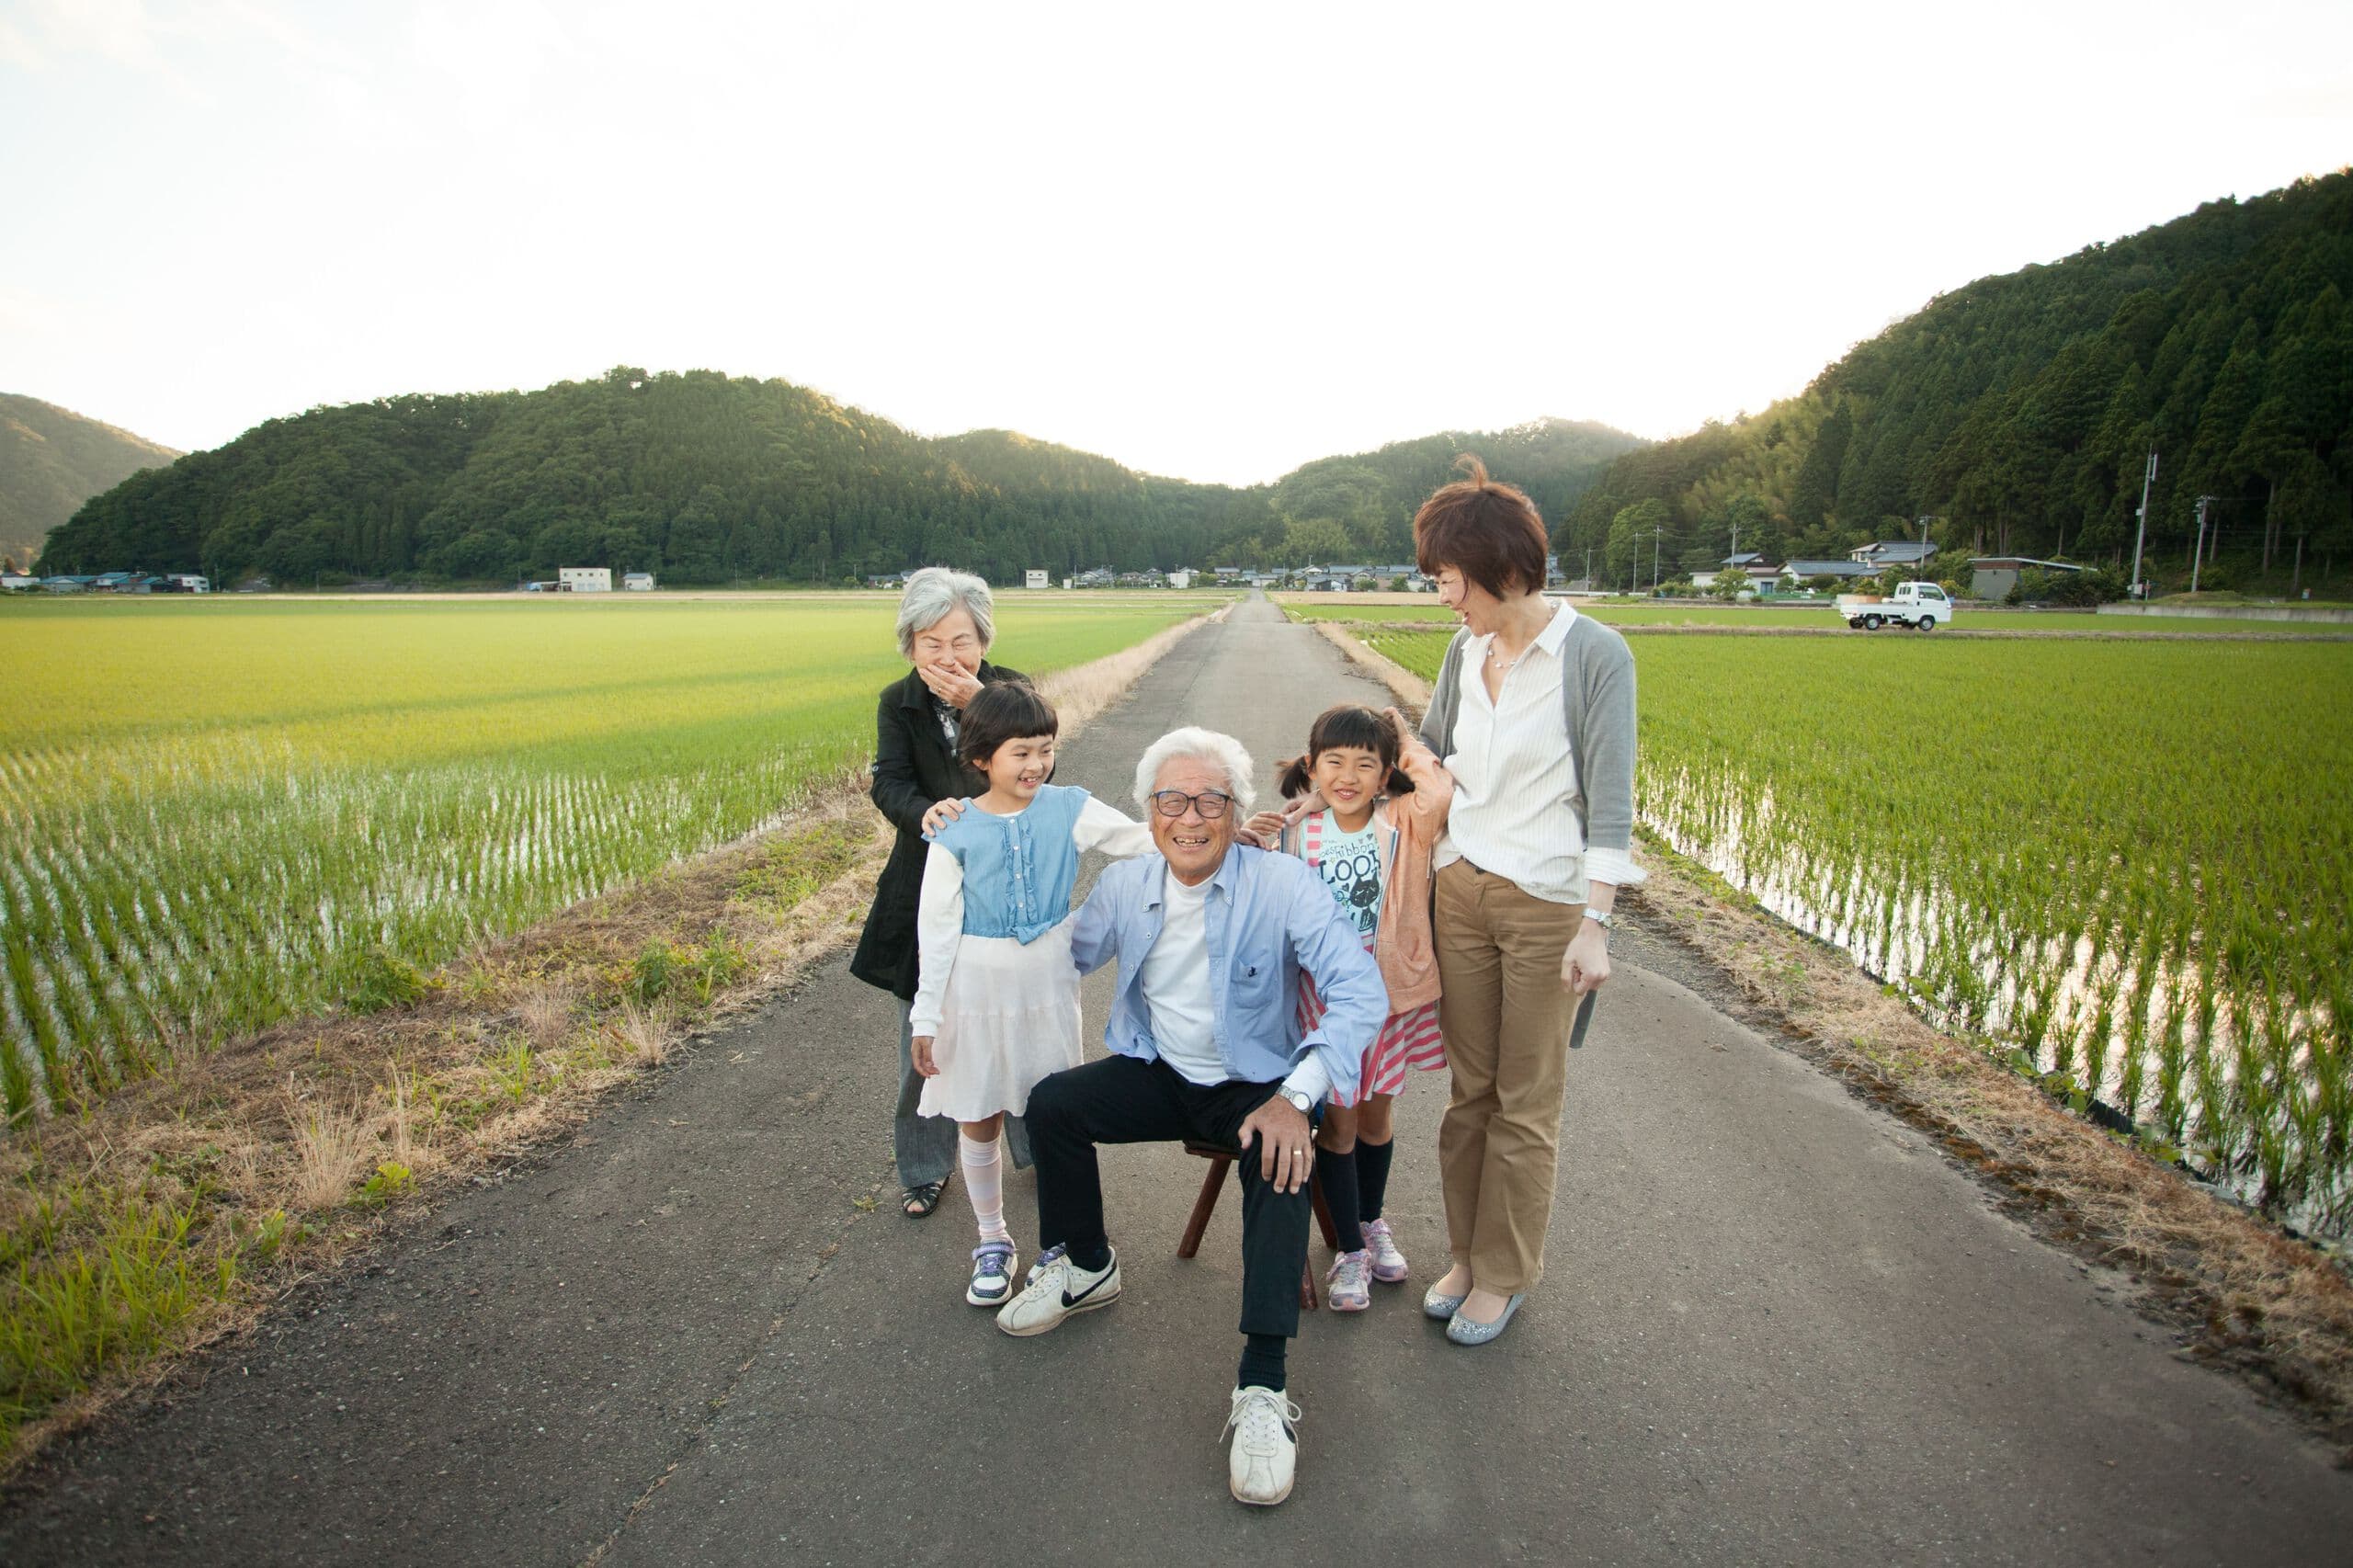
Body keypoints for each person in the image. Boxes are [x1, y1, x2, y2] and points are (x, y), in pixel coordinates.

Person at [992, 728, 1387, 1507]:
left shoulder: (1281, 884)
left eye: (1211, 799)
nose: (1191, 817)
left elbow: (1360, 990)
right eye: (1172, 800)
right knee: (1054, 1106)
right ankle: (1087, 1262)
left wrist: (1296, 1097)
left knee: (1282, 1157)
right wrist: (957, 972)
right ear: (1150, 812)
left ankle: (1264, 1388)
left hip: (1252, 1083)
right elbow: (1058, 955)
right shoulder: (1125, 885)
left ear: (1236, 811)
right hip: (1159, 1069)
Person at [1412, 458, 1643, 1346]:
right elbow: (1430, 753)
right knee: (1471, 1091)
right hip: (1461, 887)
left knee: (1526, 1097)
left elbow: (1612, 798)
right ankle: (1467, 1256)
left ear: (1501, 568)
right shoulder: (1463, 652)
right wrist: (1331, 782)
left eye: (1449, 579)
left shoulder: (1594, 654)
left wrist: (1598, 920)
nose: (1443, 599)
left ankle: (1505, 1276)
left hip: (1547, 900)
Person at [906, 682, 1153, 1306]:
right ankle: (992, 1239)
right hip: (975, 987)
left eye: (1045, 748)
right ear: (982, 756)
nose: (1036, 764)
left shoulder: (1070, 806)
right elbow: (934, 930)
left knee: (1053, 1107)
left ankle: (1063, 1239)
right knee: (979, 1113)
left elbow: (1138, 840)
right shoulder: (955, 829)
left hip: (1046, 981)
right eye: (1021, 751)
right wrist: (925, 1016)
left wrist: (1204, 829)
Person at [849, 568, 1036, 1219]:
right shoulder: (896, 701)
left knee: (1016, 1022)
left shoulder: (1011, 692)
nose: (947, 657)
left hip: (1006, 884)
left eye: (960, 640)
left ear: (983, 638)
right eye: (930, 643)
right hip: (924, 883)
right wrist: (921, 814)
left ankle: (1036, 1149)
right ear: (909, 647)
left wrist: (977, 704)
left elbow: (1035, 772)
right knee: (920, 1035)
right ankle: (925, 1168)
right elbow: (889, 782)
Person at [1269, 704, 1452, 1310]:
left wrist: (1402, 735)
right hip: (1323, 1005)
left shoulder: (1402, 818)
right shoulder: (1294, 832)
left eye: (1365, 764)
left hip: (1388, 1002)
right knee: (1340, 1126)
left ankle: (1372, 1224)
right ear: (1312, 767)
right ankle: (1348, 1251)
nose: (1348, 777)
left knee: (1376, 1119)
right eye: (1334, 763)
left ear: (1385, 774)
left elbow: (1436, 786)